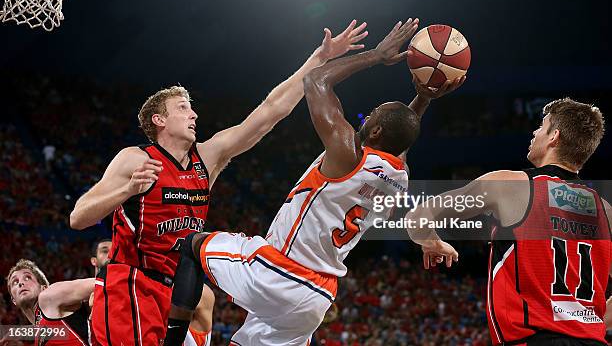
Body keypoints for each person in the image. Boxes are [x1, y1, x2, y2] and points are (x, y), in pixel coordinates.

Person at [164, 18, 465, 345]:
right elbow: (402, 135)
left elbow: (316, 81)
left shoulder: (348, 154)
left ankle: (172, 340)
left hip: (280, 272)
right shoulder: (397, 177)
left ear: (375, 131)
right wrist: (424, 97)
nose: (369, 113)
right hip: (317, 297)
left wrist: (377, 55)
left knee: (190, 246)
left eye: (374, 113)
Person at [69, 20, 369, 346]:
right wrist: (127, 190)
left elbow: (269, 112)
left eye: (192, 108)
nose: (193, 115)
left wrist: (319, 59)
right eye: (183, 108)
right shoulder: (135, 159)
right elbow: (79, 217)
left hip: (178, 293)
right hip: (130, 286)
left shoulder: (208, 157)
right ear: (160, 120)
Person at [407, 98, 611, 345]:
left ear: (553, 137)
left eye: (541, 126)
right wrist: (586, 320)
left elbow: (418, 216)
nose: (535, 132)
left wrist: (432, 242)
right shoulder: (605, 210)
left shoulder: (507, 186)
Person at [5, 259, 95, 346]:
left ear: (43, 288)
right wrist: (14, 332)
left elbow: (101, 283)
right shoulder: (42, 328)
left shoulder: (48, 296)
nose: (20, 283)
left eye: (28, 278)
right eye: (15, 282)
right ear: (13, 300)